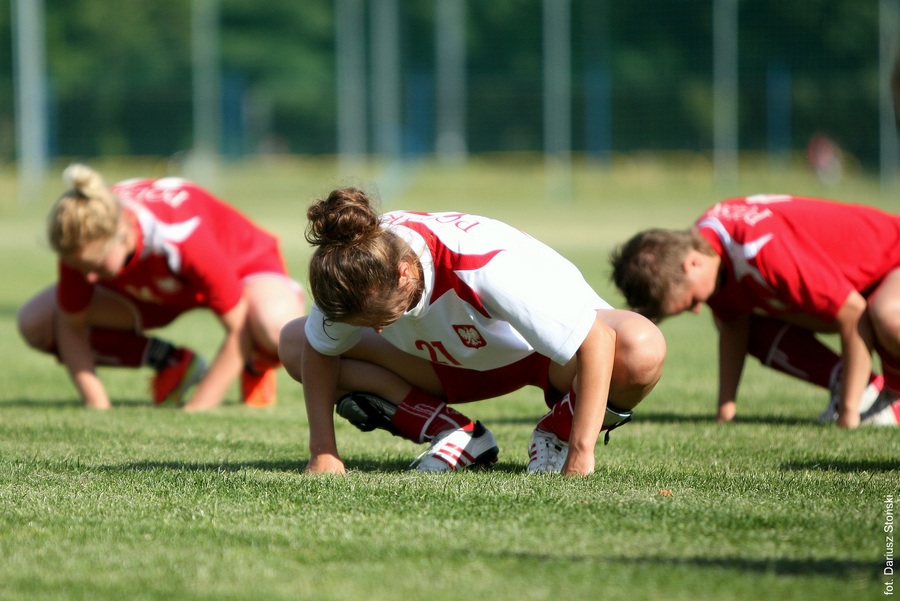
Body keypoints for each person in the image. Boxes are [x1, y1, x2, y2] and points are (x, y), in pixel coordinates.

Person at [278, 187, 666, 476]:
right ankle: (454, 433)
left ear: (405, 274)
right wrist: (323, 452)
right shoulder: (348, 264)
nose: (378, 329)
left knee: (641, 349)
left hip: (542, 354)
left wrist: (580, 453)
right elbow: (319, 348)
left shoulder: (484, 268)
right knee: (296, 343)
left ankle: (557, 434)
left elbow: (597, 339)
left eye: (385, 317)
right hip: (445, 361)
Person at [17, 164, 305, 411]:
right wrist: (98, 406)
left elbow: (238, 327)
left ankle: (257, 359)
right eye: (80, 267)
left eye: (97, 266)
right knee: (37, 324)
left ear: (122, 236)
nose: (87, 277)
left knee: (273, 329)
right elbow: (71, 327)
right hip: (158, 286)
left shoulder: (181, 234)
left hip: (243, 266)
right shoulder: (82, 238)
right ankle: (170, 361)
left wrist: (198, 408)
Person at [610, 193, 900, 428]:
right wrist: (726, 410)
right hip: (863, 290)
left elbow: (854, 314)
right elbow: (734, 323)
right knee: (752, 327)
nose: (698, 310)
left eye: (691, 301)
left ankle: (893, 397)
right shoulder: (708, 247)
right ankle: (865, 390)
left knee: (887, 315)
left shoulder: (760, 250)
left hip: (893, 260)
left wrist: (848, 415)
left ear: (692, 265)